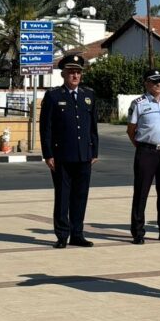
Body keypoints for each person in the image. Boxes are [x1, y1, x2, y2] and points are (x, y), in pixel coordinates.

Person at [39, 52, 99, 248]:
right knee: (63, 196)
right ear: (63, 74)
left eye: (78, 73)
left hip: (84, 155)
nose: (75, 76)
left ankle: (77, 233)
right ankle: (62, 235)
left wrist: (94, 151)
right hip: (62, 155)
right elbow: (45, 127)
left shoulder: (88, 95)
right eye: (71, 72)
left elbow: (92, 127)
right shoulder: (54, 96)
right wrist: (48, 154)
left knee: (80, 196)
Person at [126, 68, 160, 244]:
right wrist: (142, 146)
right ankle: (138, 231)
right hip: (146, 151)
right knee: (141, 192)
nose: (158, 85)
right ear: (146, 83)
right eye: (154, 81)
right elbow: (131, 130)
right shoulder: (139, 103)